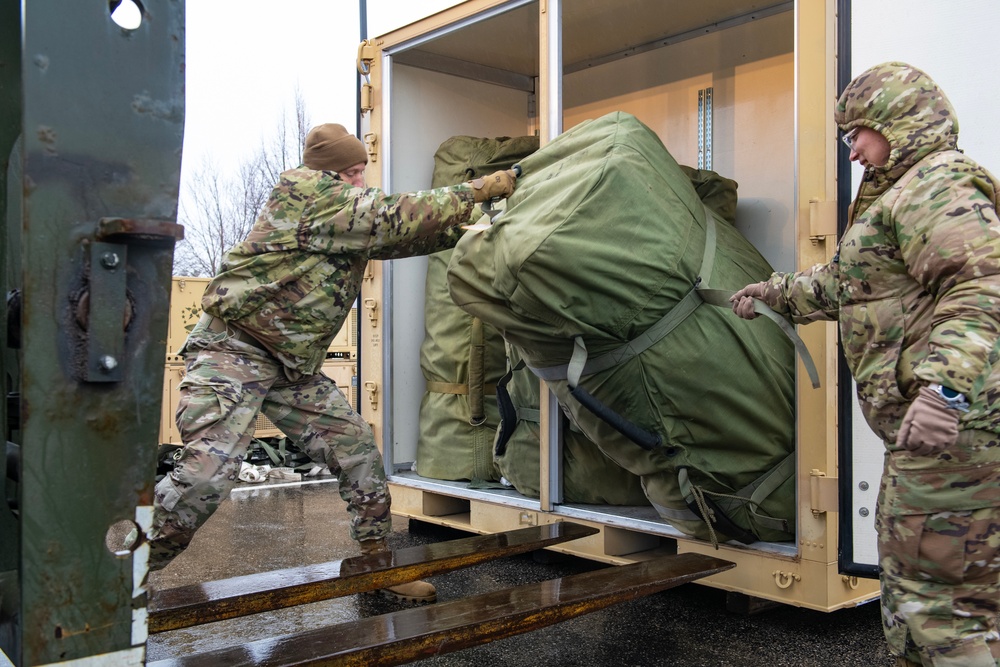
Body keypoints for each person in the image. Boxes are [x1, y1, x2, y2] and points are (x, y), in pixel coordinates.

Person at [145, 123, 516, 604]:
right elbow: (390, 215)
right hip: (233, 352)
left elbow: (403, 236)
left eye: (363, 171)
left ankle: (373, 566)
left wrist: (482, 222)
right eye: (354, 172)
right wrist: (477, 189)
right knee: (206, 474)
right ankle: (112, 583)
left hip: (291, 367)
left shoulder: (342, 218)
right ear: (331, 173)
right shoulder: (309, 198)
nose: (362, 181)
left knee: (357, 449)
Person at [731, 62, 1000, 666]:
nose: (852, 149)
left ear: (898, 124)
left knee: (939, 604)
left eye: (859, 133)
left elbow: (983, 287)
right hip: (935, 441)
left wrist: (945, 394)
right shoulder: (896, 194)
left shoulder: (937, 186)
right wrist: (775, 293)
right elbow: (849, 283)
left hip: (958, 439)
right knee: (924, 592)